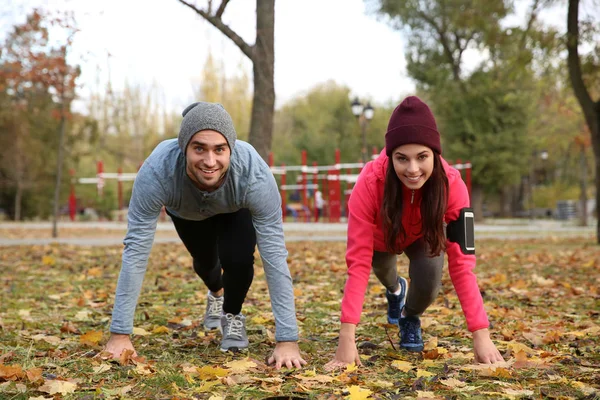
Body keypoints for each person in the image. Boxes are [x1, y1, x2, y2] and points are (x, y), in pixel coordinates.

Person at [104, 102, 306, 370]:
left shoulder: (253, 174)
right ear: (184, 147)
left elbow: (275, 256)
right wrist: (119, 335)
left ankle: (231, 315)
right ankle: (215, 291)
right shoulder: (157, 172)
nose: (210, 161)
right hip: (188, 213)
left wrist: (288, 340)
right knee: (206, 263)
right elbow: (136, 251)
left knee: (238, 260)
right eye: (199, 148)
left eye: (219, 149)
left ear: (230, 149)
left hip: (235, 209)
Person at [325, 96, 504, 370]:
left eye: (422, 157)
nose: (412, 169)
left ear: (435, 154)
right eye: (401, 158)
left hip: (424, 235)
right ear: (389, 156)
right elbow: (358, 264)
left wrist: (481, 334)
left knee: (430, 282)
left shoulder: (453, 186)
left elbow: (462, 265)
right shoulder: (369, 183)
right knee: (385, 275)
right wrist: (347, 337)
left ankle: (409, 316)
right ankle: (396, 290)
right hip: (382, 238)